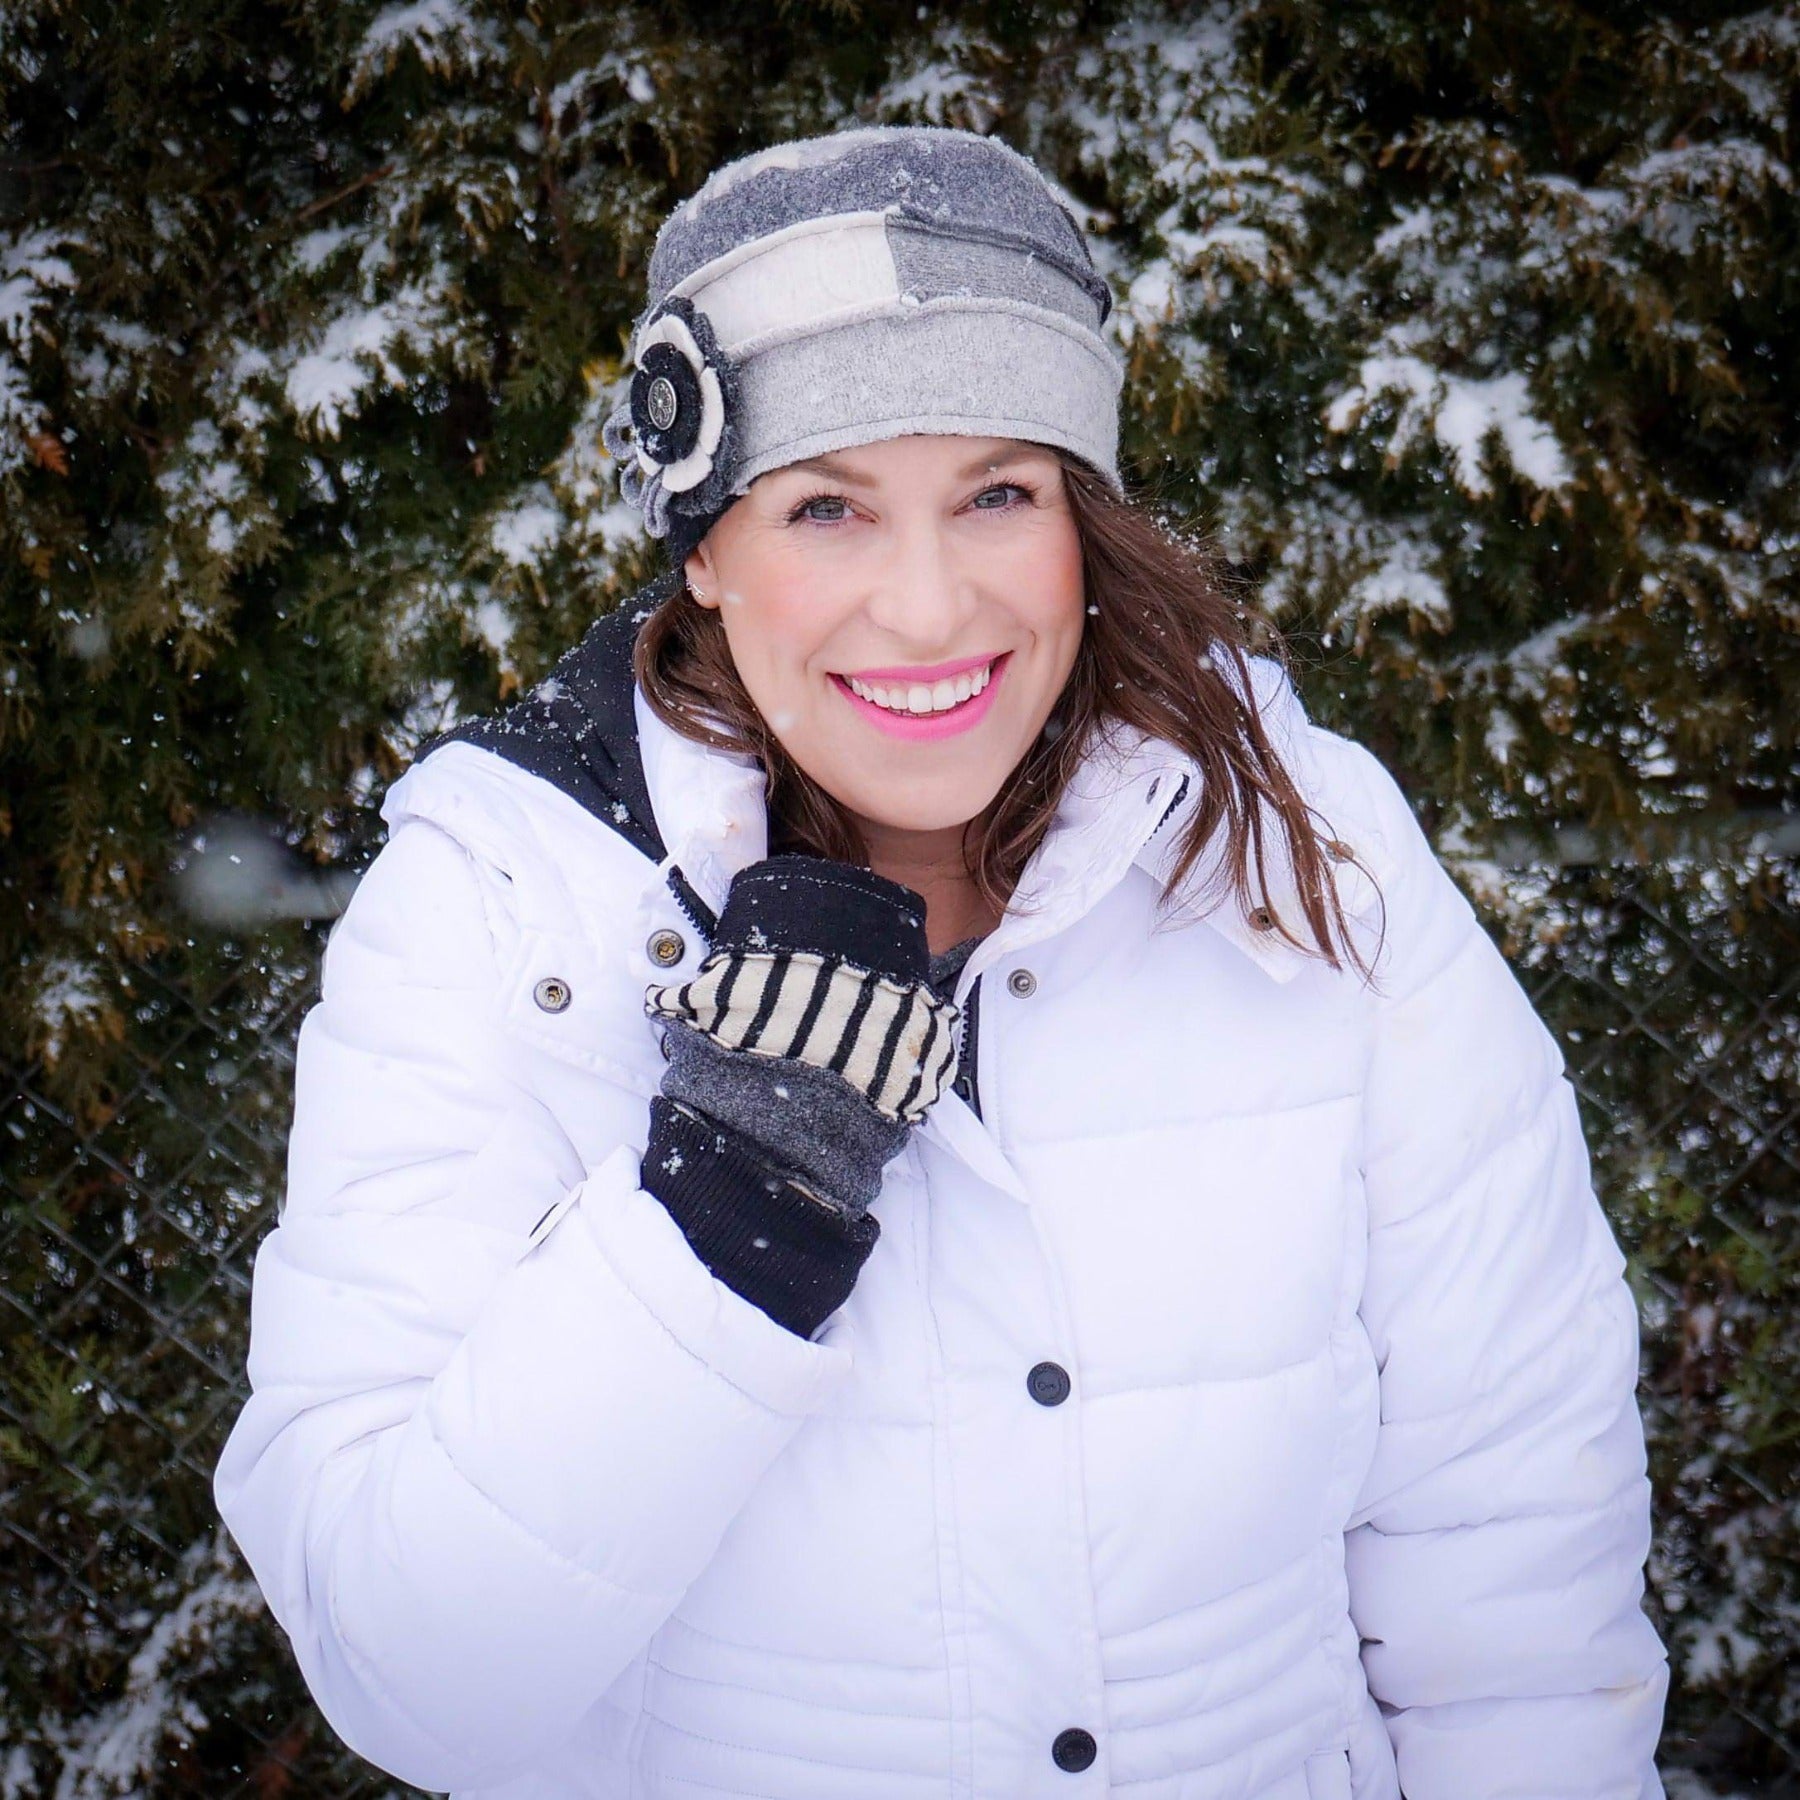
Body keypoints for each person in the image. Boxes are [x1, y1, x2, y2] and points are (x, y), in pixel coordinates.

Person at [214, 125, 1668, 1799]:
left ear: (1082, 521)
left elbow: (1511, 1540)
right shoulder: (505, 906)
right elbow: (418, 1681)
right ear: (701, 546)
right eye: (827, 505)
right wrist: (729, 1215)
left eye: (997, 493)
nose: (925, 605)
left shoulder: (1305, 849)